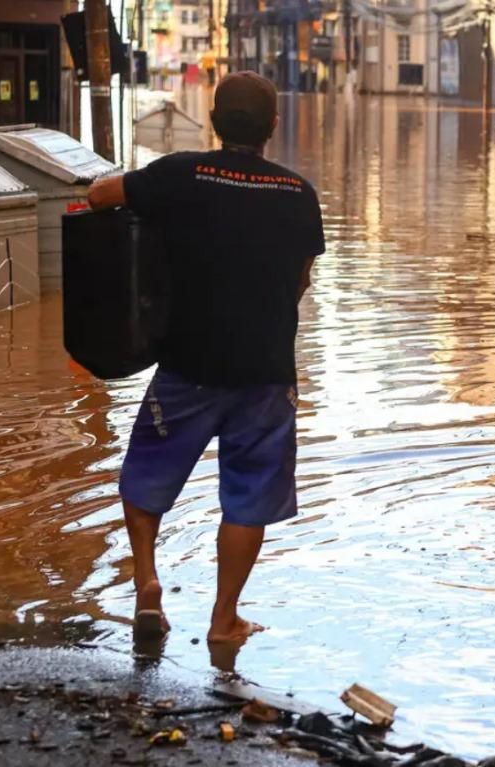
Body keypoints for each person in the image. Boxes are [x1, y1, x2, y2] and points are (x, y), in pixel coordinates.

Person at [87, 72, 325, 643]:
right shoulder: (299, 194)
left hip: (187, 367)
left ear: (213, 122)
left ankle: (147, 583)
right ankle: (224, 621)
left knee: (145, 477)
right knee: (248, 498)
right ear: (273, 126)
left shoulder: (180, 174)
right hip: (266, 374)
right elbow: (300, 282)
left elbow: (99, 197)